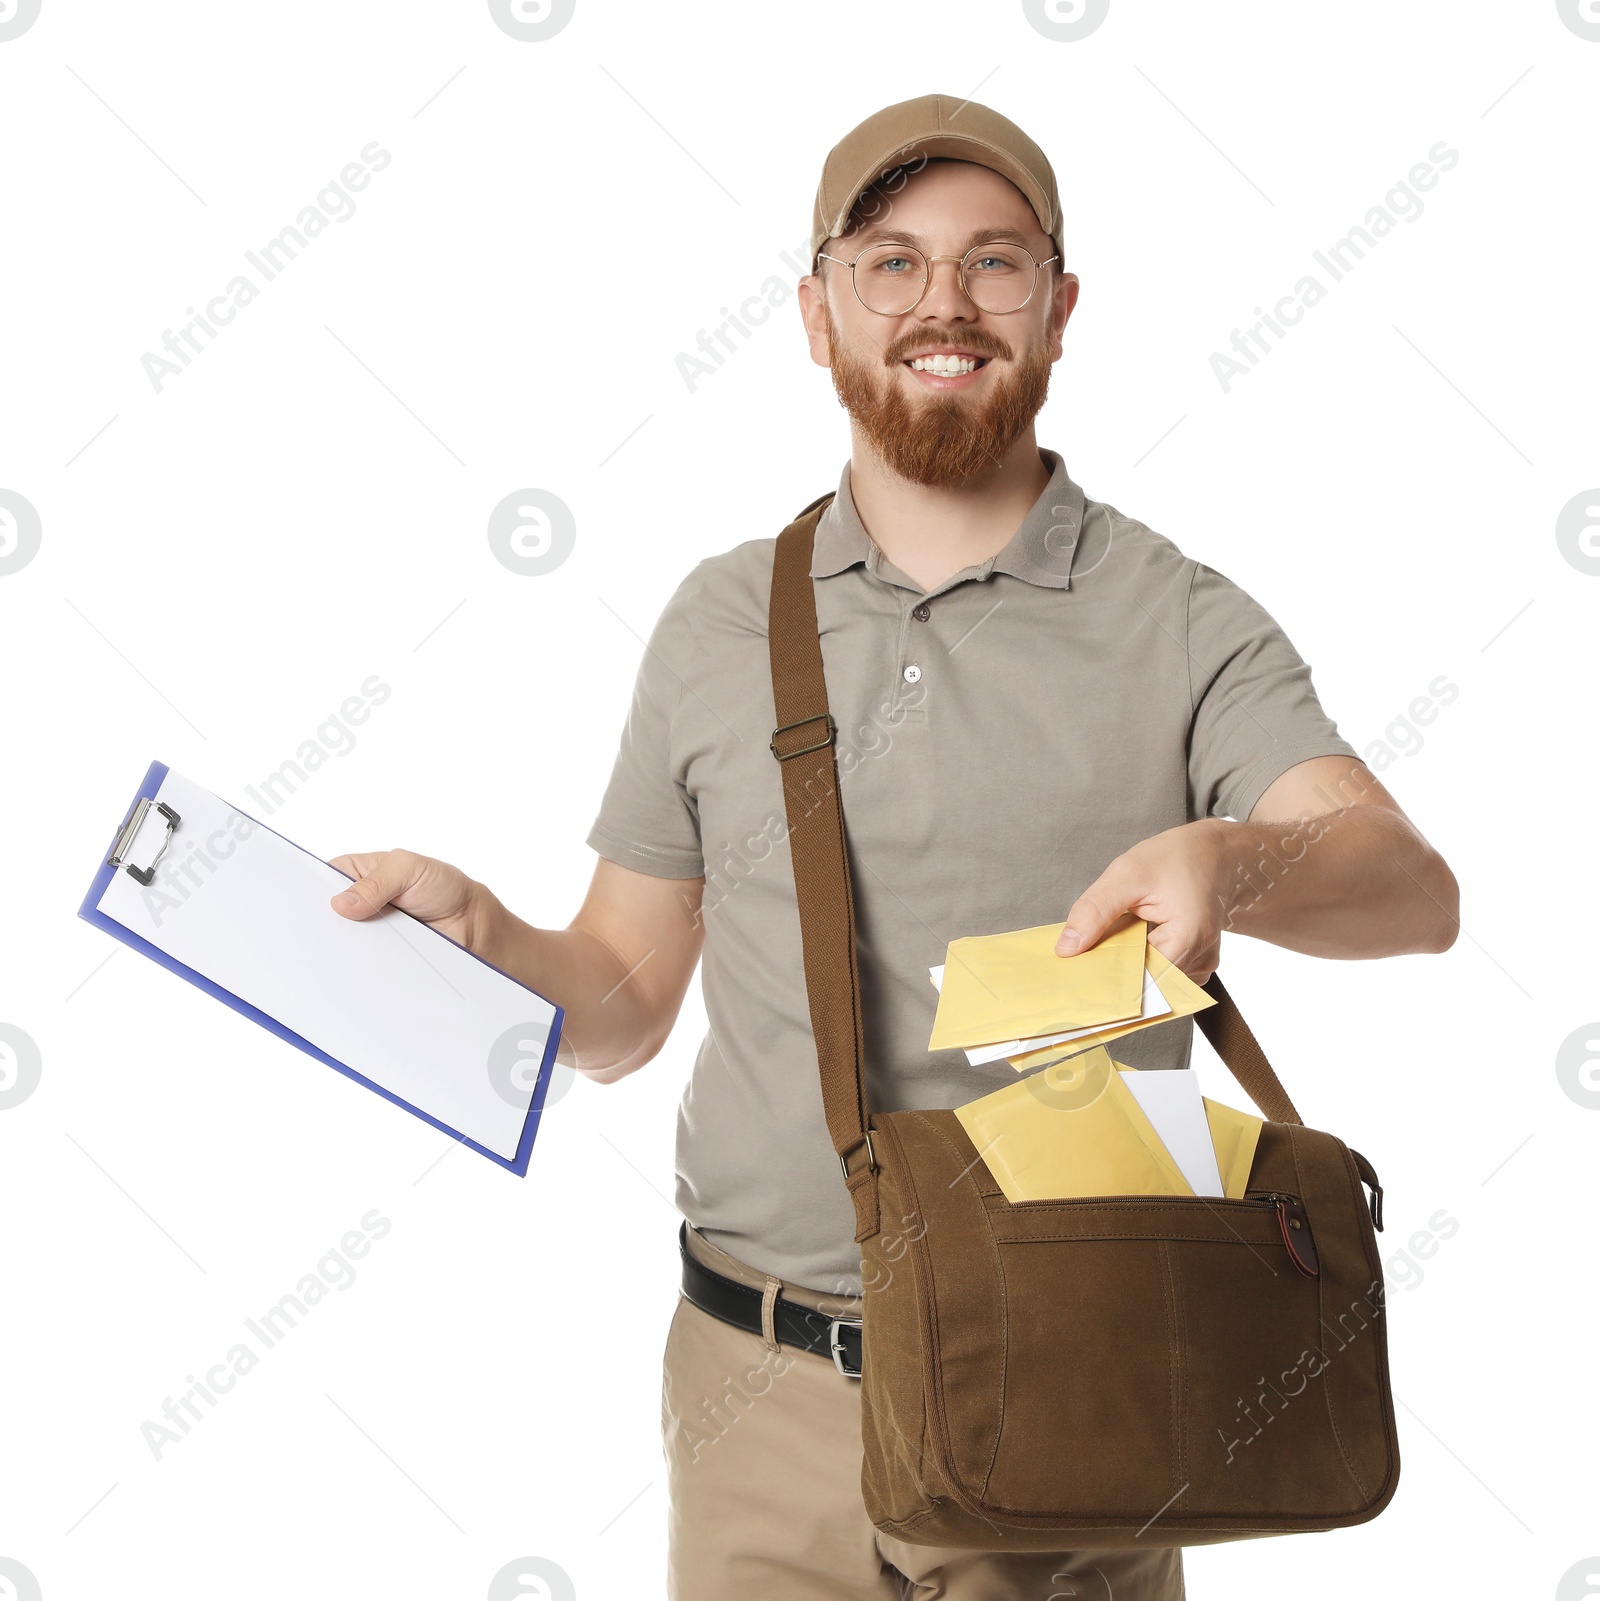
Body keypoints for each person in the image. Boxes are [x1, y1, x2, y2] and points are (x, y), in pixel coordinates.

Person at [329, 94, 1458, 1601]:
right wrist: (493, 942)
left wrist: (1229, 860)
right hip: (757, 1394)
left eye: (994, 265)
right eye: (888, 262)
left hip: (1076, 1378)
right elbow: (620, 1006)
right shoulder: (721, 618)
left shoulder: (1180, 614)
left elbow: (1408, 884)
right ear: (817, 312)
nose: (943, 304)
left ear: (1058, 311)